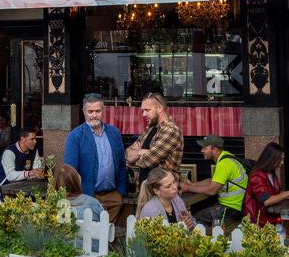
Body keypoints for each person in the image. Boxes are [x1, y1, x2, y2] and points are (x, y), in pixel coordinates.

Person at [63, 93, 127, 224]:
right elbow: (70, 170)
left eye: (97, 111)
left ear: (103, 111)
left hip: (113, 197)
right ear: (84, 112)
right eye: (90, 111)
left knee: (109, 236)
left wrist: (121, 191)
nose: (94, 115)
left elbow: (121, 163)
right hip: (88, 196)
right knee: (91, 237)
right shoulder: (75, 136)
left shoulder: (114, 132)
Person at [182, 136, 248, 231]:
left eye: (205, 148)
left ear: (214, 149)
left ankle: (206, 240)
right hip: (235, 205)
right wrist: (192, 185)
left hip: (231, 209)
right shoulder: (226, 157)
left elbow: (212, 190)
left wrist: (188, 188)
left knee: (194, 218)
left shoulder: (224, 164)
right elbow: (212, 180)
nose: (201, 151)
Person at [124, 92, 183, 185]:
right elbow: (127, 154)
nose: (143, 114)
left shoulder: (171, 130)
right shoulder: (150, 128)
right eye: (142, 111)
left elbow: (149, 160)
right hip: (147, 190)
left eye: (147, 110)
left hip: (165, 192)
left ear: (159, 108)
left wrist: (138, 153)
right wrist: (143, 152)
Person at [243, 142, 289, 229]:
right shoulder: (257, 176)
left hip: (269, 217)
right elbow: (266, 200)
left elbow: (276, 193)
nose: (282, 162)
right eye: (280, 159)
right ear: (271, 159)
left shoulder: (270, 172)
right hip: (259, 220)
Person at [136, 166, 196, 230]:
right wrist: (181, 227)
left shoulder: (177, 199)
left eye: (174, 181)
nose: (175, 187)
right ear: (157, 191)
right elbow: (158, 238)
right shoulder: (151, 210)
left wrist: (190, 224)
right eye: (168, 186)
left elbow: (193, 225)